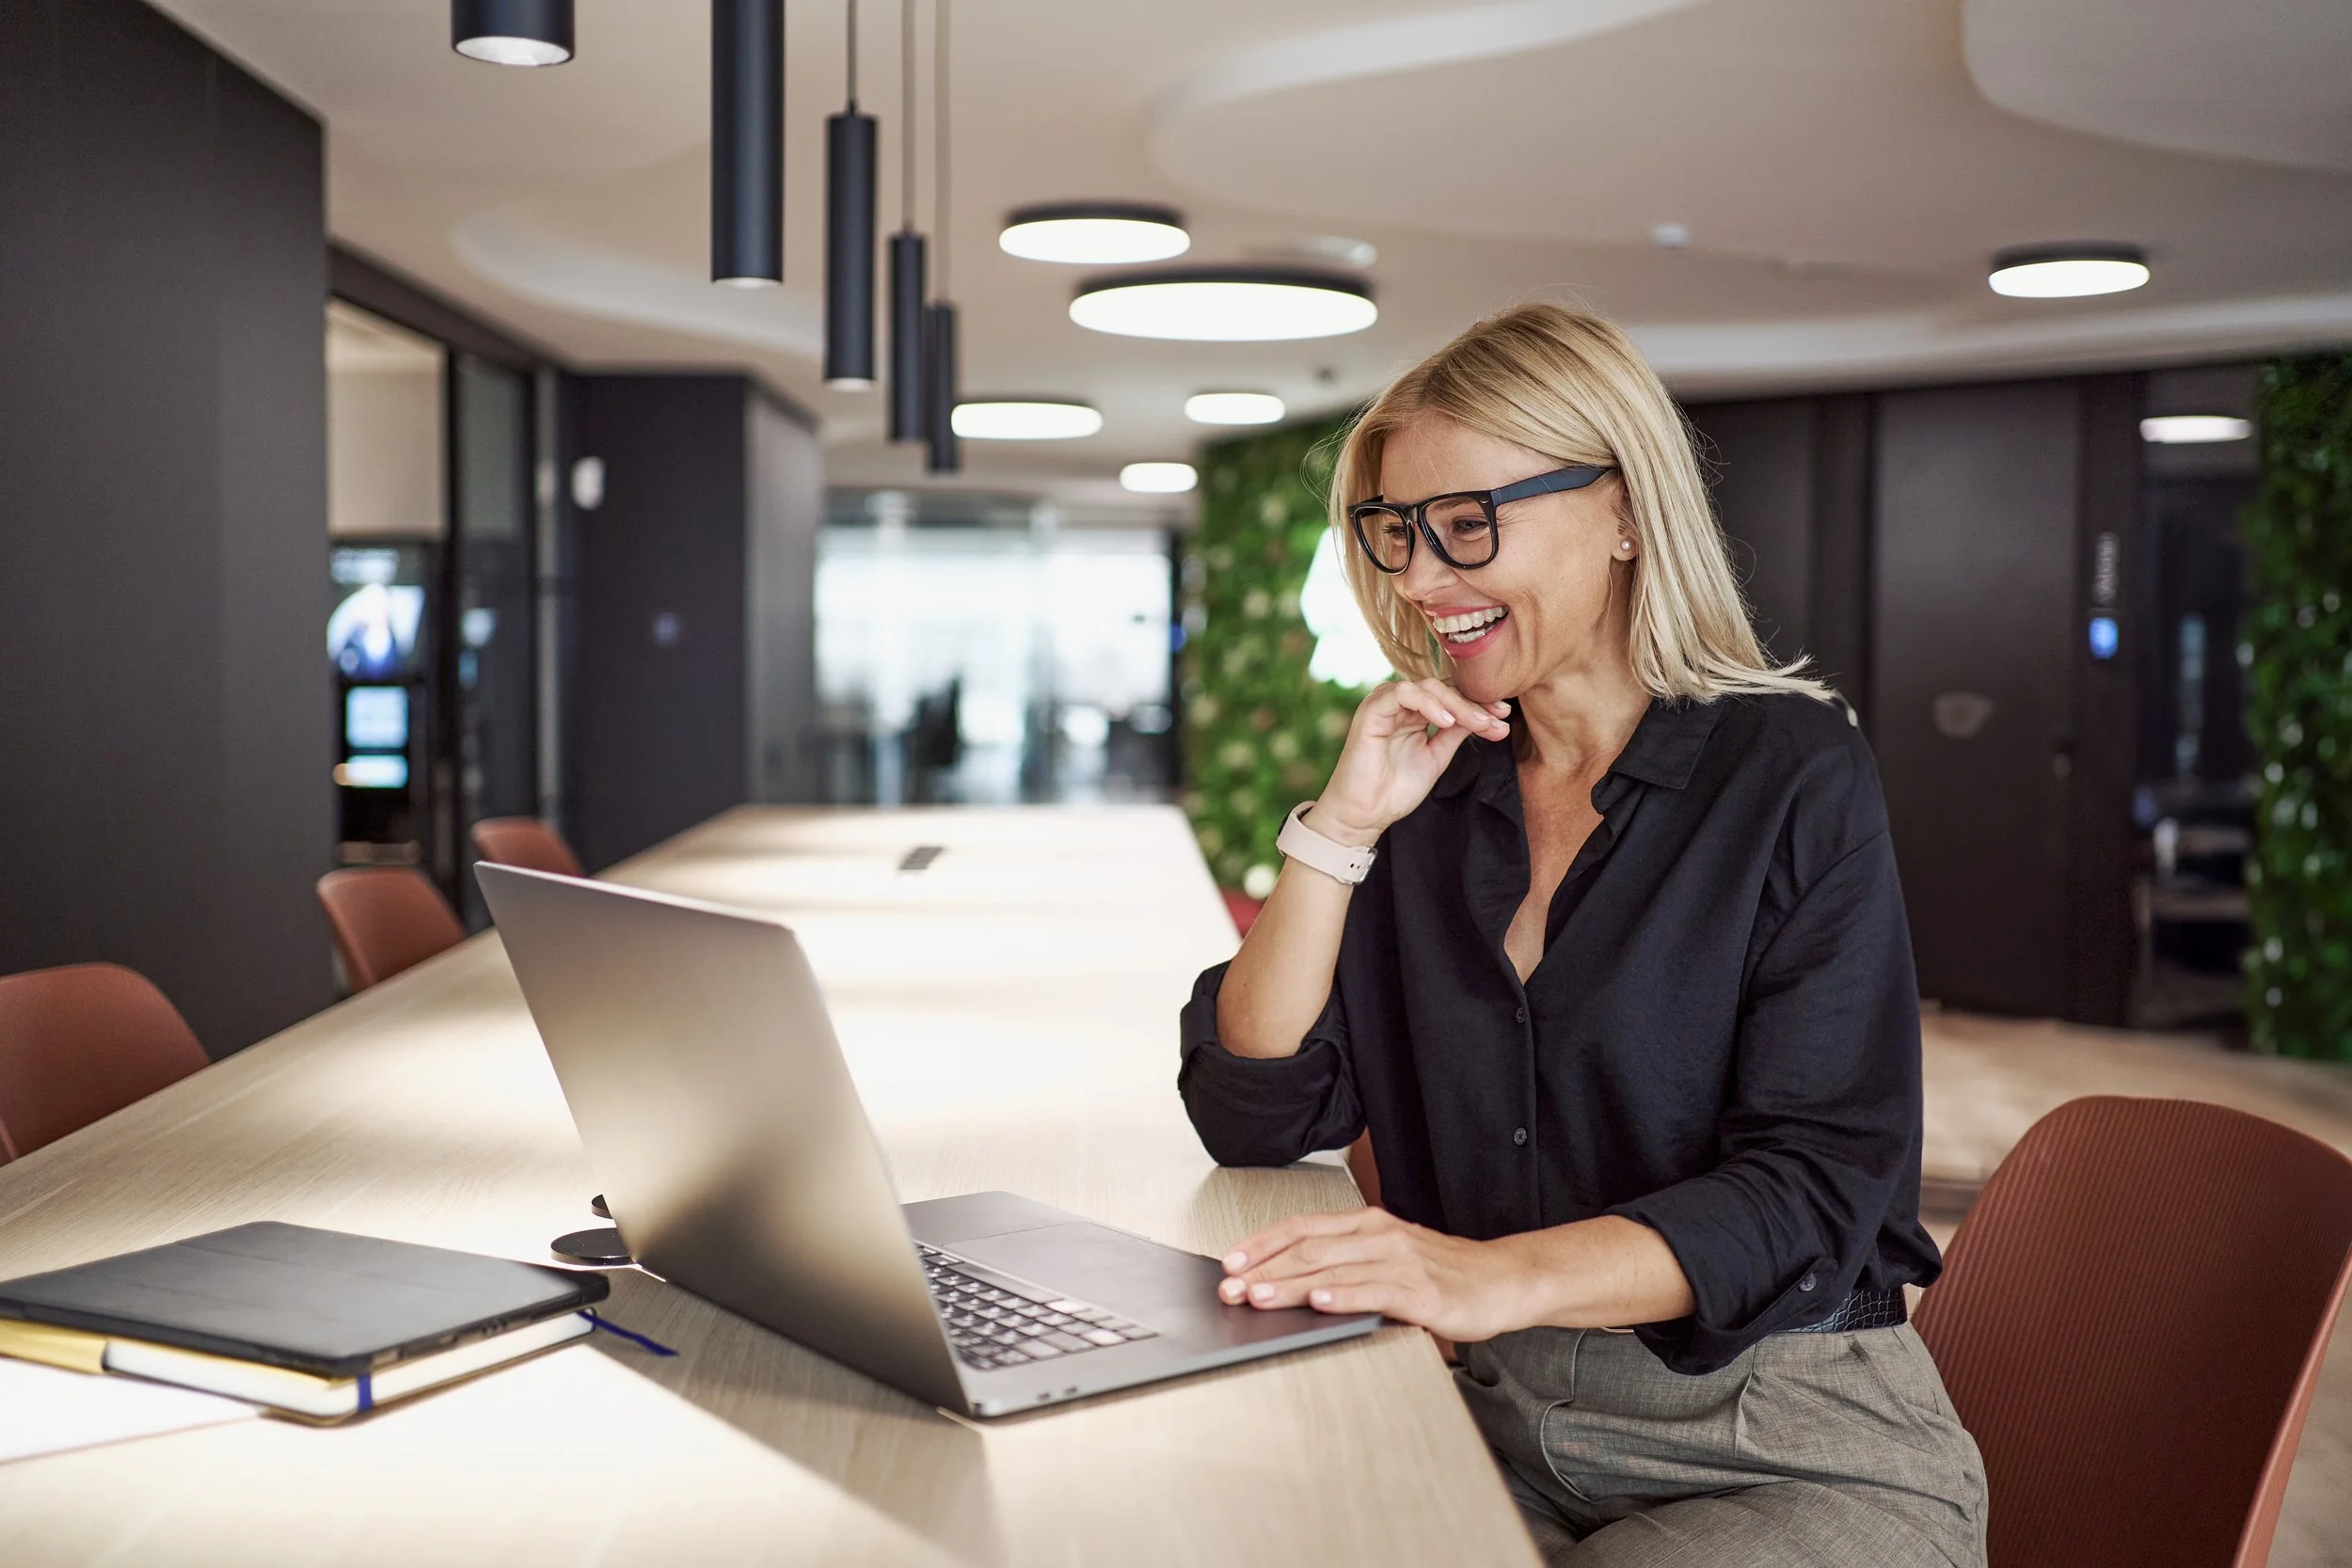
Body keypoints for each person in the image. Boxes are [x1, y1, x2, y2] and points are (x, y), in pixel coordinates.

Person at [1177, 304, 1987, 1566]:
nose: (1420, 580)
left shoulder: (1788, 771)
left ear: (1621, 511)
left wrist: (1485, 1278)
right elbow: (1256, 1107)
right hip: (1502, 1423)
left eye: (1465, 524)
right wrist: (1338, 828)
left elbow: (1815, 1190)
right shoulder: (1432, 789)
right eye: (1393, 533)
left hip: (1775, 1440)